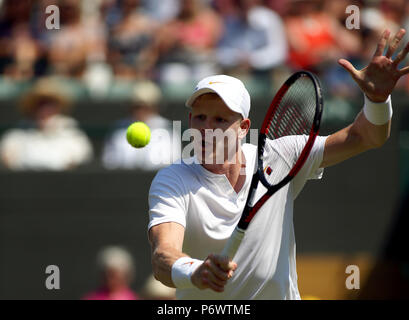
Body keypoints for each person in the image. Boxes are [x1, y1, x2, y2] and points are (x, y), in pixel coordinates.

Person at [147, 29, 409, 299]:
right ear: (190, 123)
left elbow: (364, 137)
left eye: (220, 120)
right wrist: (195, 271)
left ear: (243, 128)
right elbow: (162, 257)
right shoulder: (172, 180)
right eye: (199, 118)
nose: (206, 128)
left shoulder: (281, 155)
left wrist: (377, 100)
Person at [0, 78, 93, 170]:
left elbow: (79, 161)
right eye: (40, 104)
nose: (44, 109)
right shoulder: (15, 136)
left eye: (49, 104)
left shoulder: (74, 135)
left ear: (58, 106)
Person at [102, 80, 181, 170]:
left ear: (155, 106)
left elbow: (172, 164)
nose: (140, 111)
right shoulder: (117, 129)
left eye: (145, 106)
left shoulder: (168, 129)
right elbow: (109, 163)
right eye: (136, 106)